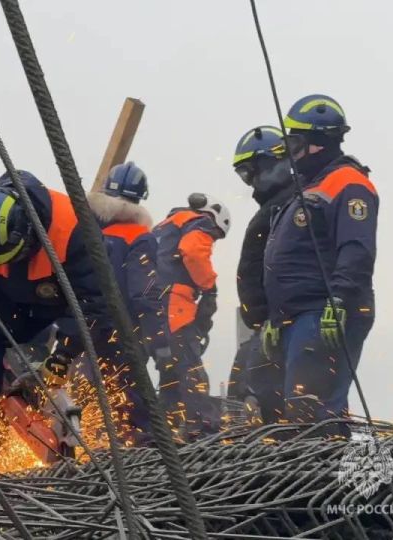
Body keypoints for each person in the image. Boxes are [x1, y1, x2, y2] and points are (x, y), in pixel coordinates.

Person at [0, 170, 107, 440]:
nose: (7, 265)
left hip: (58, 306)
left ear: (29, 231)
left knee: (96, 349)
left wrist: (63, 356)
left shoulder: (75, 228)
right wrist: (3, 353)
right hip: (4, 302)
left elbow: (94, 302)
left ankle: (87, 437)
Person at [263, 94, 377, 423]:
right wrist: (276, 315)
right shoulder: (310, 185)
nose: (291, 152)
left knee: (312, 409)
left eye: (296, 142)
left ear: (319, 142)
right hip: (298, 314)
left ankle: (323, 466)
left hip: (325, 310)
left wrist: (339, 297)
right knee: (297, 409)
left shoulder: (349, 183)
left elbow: (357, 248)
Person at [82, 161, 166, 441]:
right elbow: (145, 293)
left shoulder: (89, 233)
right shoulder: (140, 237)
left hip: (87, 329)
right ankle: (143, 458)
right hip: (124, 334)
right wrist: (159, 339)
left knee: (94, 401)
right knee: (133, 405)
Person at [227, 126, 294, 424]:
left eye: (250, 172)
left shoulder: (290, 204)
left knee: (264, 393)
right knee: (244, 386)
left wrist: (273, 315)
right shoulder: (274, 206)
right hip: (263, 322)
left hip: (277, 321)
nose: (250, 181)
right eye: (244, 175)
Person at [152, 193, 230, 439]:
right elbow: (194, 252)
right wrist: (209, 288)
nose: (212, 240)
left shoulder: (164, 226)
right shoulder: (198, 221)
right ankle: (203, 429)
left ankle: (166, 427)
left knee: (169, 370)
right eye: (215, 236)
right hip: (174, 302)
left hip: (151, 308)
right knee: (190, 368)